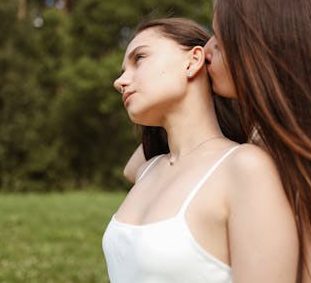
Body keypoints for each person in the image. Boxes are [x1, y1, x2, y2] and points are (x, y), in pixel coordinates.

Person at [120, 0, 311, 283]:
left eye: (219, 37)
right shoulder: (280, 141)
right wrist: (185, 104)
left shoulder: (267, 159)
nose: (207, 48)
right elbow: (140, 168)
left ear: (264, 48)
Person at [102, 17, 299, 282]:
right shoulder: (148, 169)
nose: (119, 81)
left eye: (139, 58)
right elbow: (131, 169)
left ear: (194, 61)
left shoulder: (245, 166)